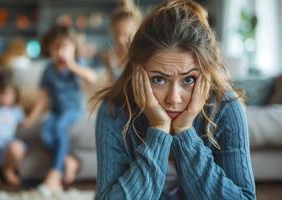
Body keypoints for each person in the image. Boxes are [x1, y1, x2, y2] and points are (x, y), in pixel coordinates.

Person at [93, 0, 256, 199]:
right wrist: (159, 129)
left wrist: (185, 132)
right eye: (159, 79)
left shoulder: (226, 108)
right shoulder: (114, 110)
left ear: (206, 74)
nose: (174, 98)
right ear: (137, 73)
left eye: (188, 79)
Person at [26, 24, 98, 193]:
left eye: (64, 47)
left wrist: (72, 65)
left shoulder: (77, 65)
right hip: (56, 110)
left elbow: (92, 78)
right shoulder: (48, 71)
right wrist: (31, 117)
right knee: (45, 133)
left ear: (73, 49)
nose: (60, 52)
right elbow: (43, 99)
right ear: (49, 49)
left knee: (60, 128)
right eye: (55, 48)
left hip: (74, 109)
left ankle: (54, 174)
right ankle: (68, 160)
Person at [102, 0, 141, 82]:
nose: (120, 39)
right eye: (116, 34)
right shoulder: (110, 57)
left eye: (126, 34)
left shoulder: (145, 58)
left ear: (138, 31)